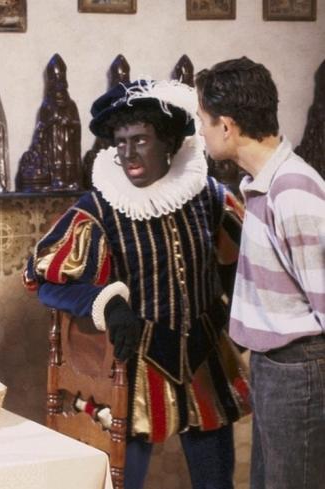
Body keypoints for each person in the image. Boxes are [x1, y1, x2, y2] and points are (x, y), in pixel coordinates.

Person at [24, 79, 250, 489]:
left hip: (205, 358)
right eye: (121, 142)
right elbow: (42, 281)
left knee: (217, 482)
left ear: (169, 143)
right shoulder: (99, 209)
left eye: (141, 140)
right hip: (134, 366)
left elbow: (241, 263)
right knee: (122, 483)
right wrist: (107, 304)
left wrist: (229, 315)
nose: (128, 152)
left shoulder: (209, 197)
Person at [196, 57, 325, 489]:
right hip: (277, 369)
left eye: (203, 120)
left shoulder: (293, 190)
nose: (201, 131)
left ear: (227, 126)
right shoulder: (263, 185)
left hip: (300, 371)